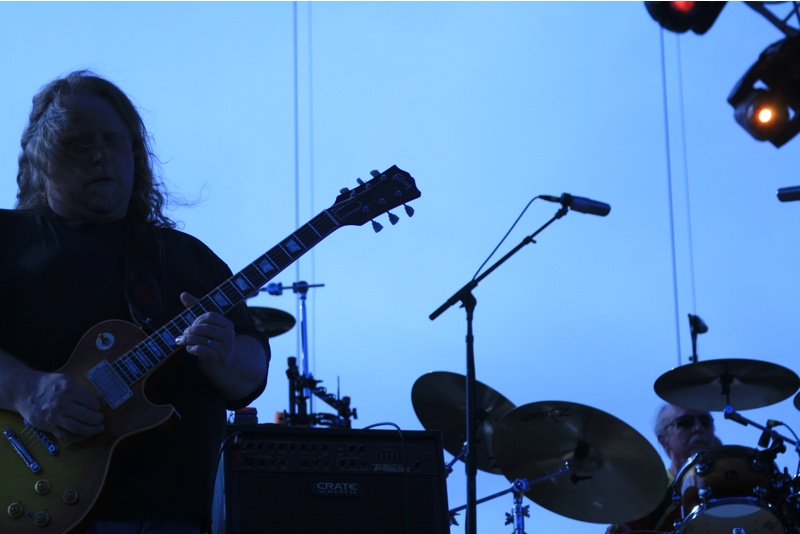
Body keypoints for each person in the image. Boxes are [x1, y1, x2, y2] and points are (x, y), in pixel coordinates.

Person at [0, 71, 270, 534]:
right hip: (30, 503)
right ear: (41, 159)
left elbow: (251, 368)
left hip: (174, 516)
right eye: (78, 143)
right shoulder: (8, 239)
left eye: (113, 140)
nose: (100, 154)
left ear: (135, 156)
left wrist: (226, 356)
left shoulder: (187, 257)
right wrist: (26, 389)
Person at [605, 403, 721, 534]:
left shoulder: (733, 483)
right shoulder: (648, 491)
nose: (698, 428)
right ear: (664, 441)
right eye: (685, 422)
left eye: (705, 421)